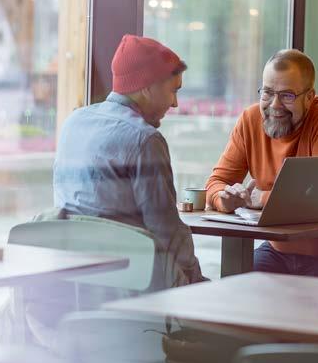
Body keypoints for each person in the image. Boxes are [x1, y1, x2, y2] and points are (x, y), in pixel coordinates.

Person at [54, 34, 205, 285]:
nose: (175, 103)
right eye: (173, 91)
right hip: (132, 286)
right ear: (147, 86)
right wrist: (196, 281)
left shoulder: (73, 123)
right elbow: (166, 232)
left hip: (75, 283)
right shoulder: (144, 139)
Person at [205, 49, 318, 279]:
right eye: (267, 93)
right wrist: (224, 198)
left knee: (304, 311)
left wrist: (260, 198)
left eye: (287, 95)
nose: (275, 105)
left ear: (309, 97)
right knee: (235, 293)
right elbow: (216, 182)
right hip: (278, 250)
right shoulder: (250, 120)